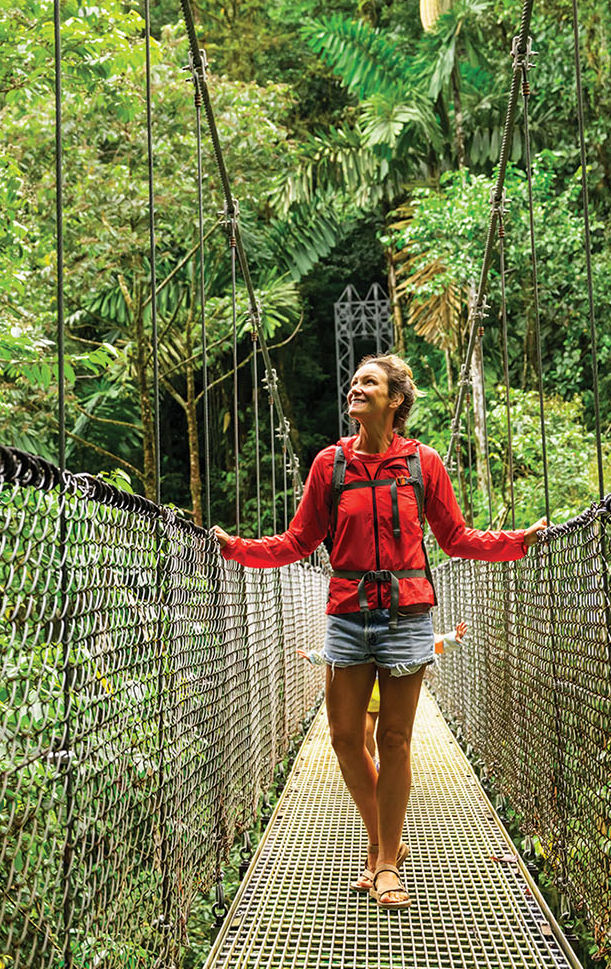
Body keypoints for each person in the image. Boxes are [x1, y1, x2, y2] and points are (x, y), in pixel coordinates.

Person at [212, 355, 543, 909]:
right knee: (345, 737)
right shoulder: (329, 464)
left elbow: (455, 538)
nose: (355, 387)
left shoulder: (422, 463)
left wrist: (518, 542)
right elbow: (298, 542)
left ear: (396, 400)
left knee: (393, 739)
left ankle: (386, 862)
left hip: (408, 615)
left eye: (370, 382)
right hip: (346, 613)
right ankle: (380, 837)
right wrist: (238, 549)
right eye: (354, 381)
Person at [299, 620, 466, 769]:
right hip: (367, 693)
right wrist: (315, 657)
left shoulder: (402, 630)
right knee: (365, 730)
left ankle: (390, 770)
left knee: (392, 736)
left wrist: (453, 638)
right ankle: (371, 764)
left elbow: (430, 644)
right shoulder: (358, 631)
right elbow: (337, 652)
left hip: (389, 690)